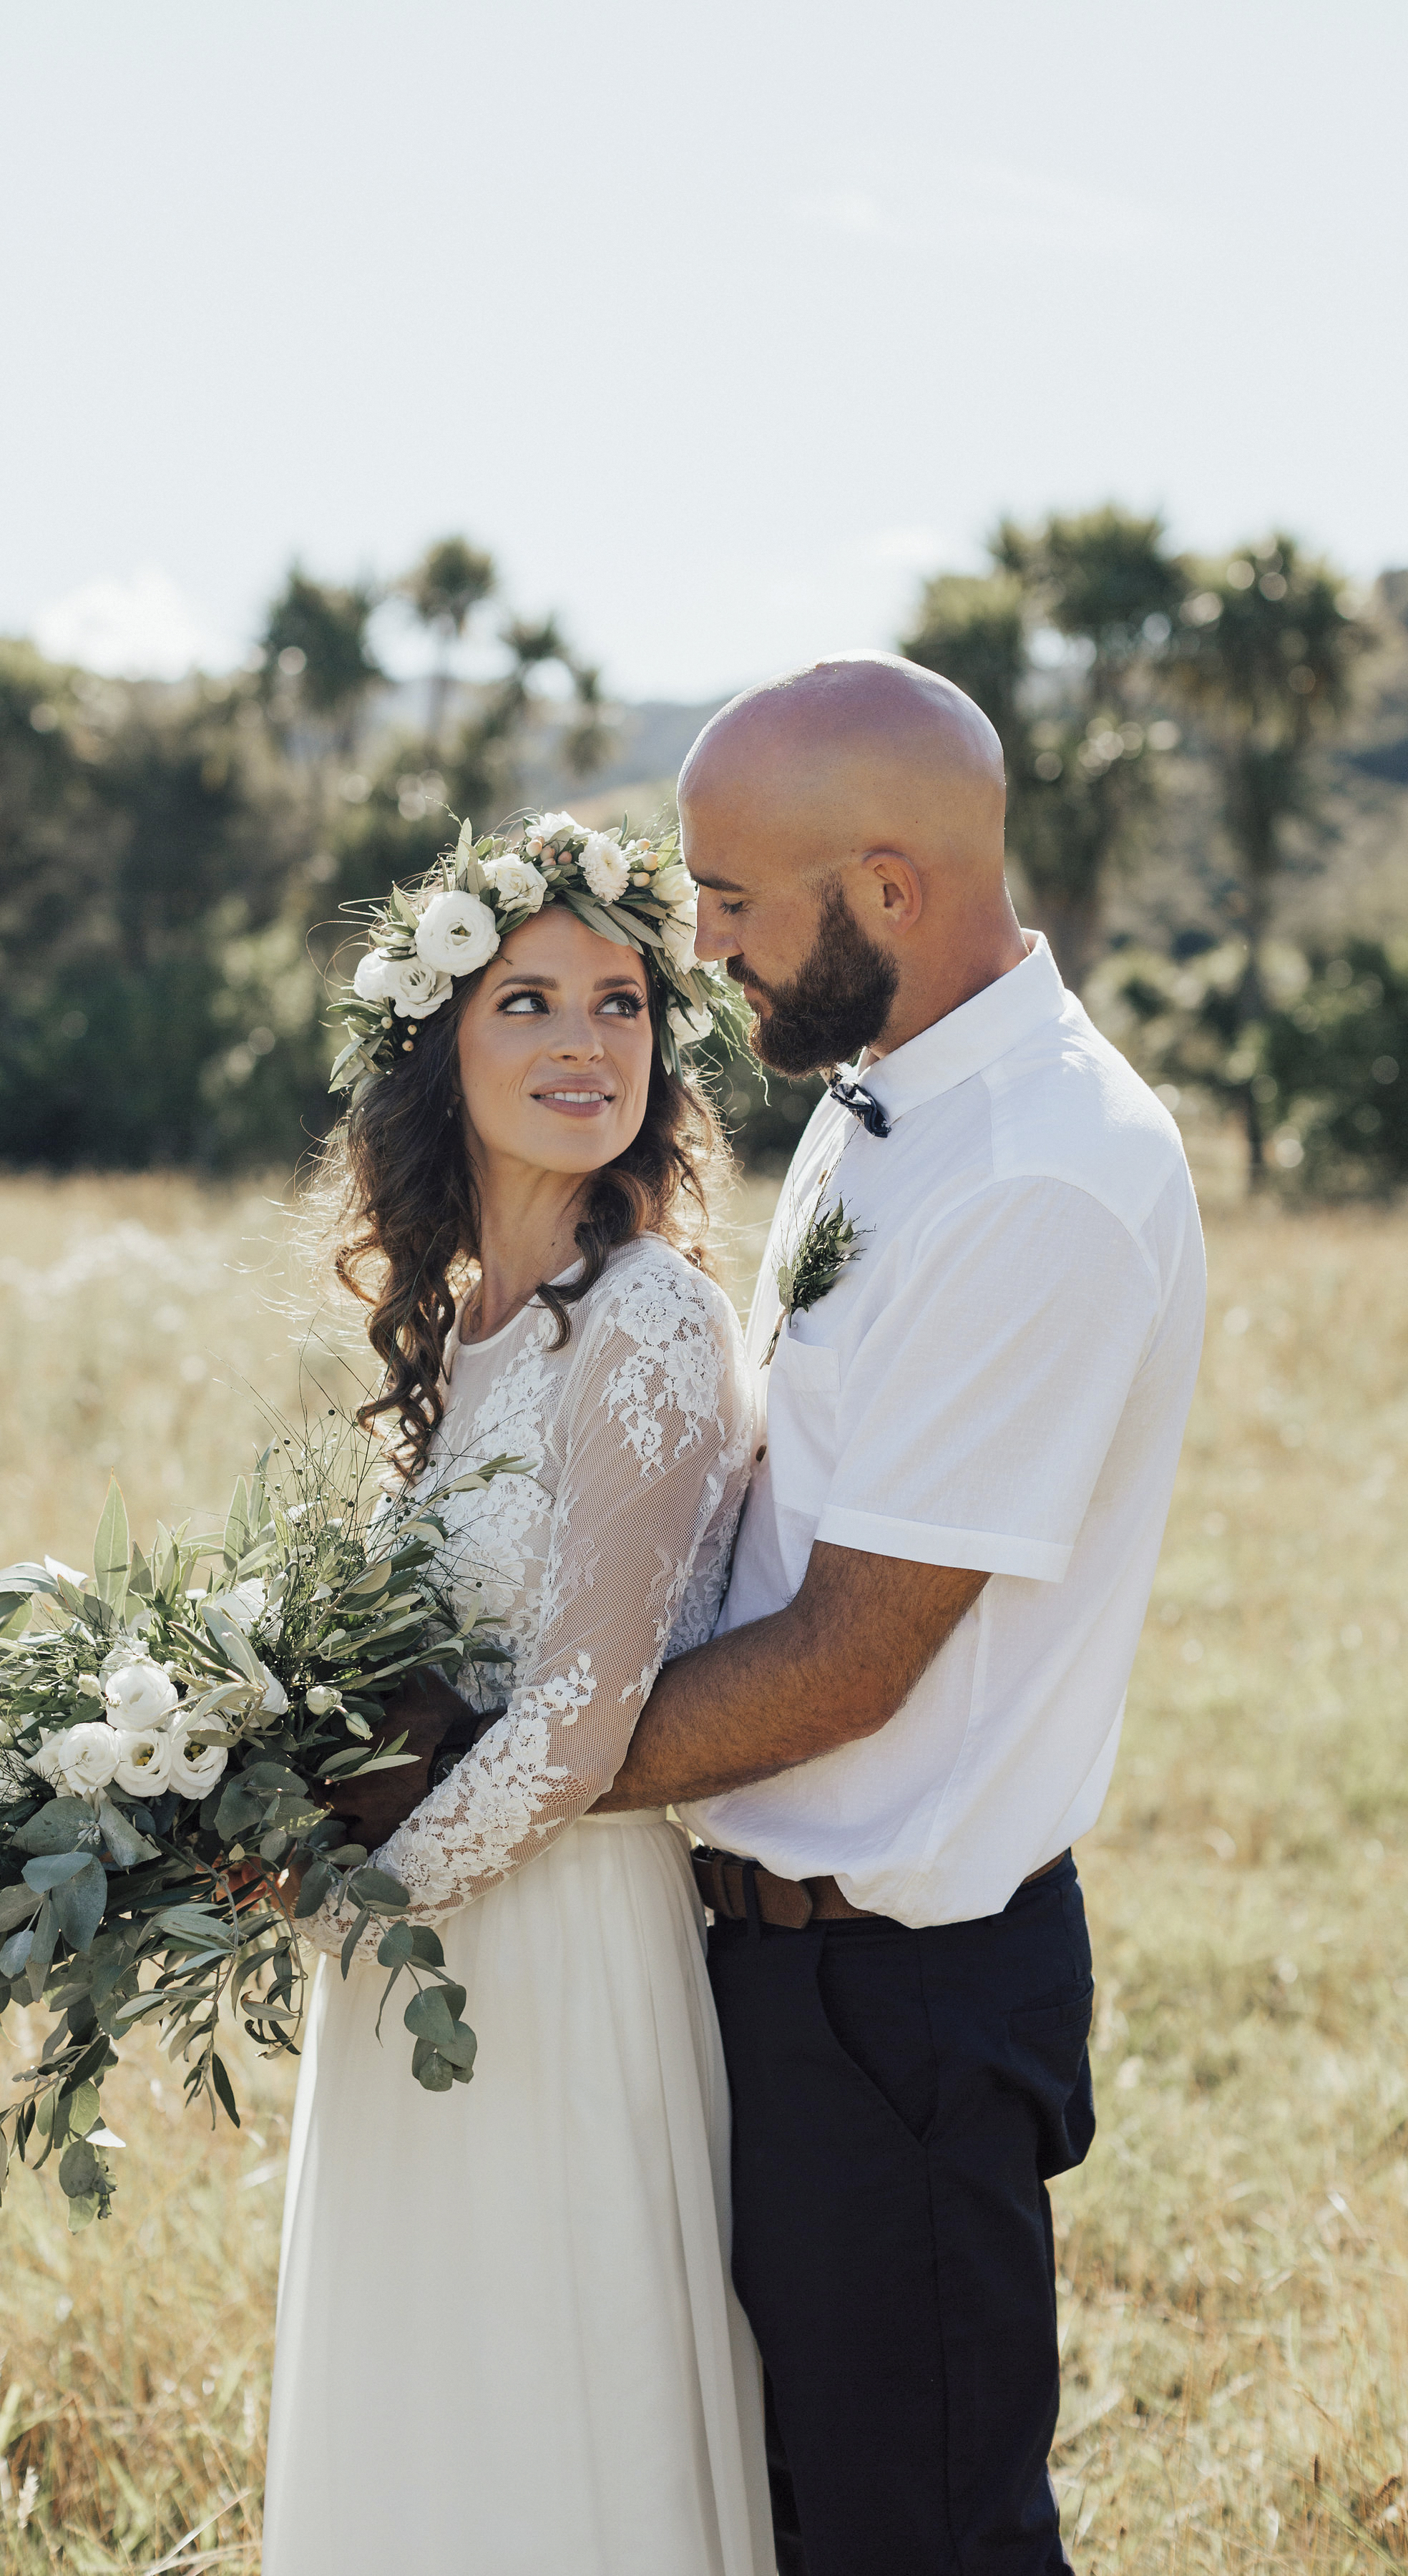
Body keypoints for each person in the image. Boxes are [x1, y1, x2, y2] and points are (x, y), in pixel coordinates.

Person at [596, 654, 1207, 2575]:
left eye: (732, 900)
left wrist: (490, 1780)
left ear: (888, 886)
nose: (701, 949)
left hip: (901, 2008)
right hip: (783, 1970)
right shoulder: (896, 1103)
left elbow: (857, 1654)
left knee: (921, 2540)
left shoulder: (1042, 1175)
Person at [258, 817, 774, 2575]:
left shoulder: (648, 1321)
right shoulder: (473, 1326)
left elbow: (576, 1723)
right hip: (423, 1957)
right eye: (530, 1001)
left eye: (622, 1003)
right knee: (427, 2407)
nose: (586, 1044)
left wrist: (346, 1899)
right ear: (438, 1050)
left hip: (558, 1957)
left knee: (553, 2410)